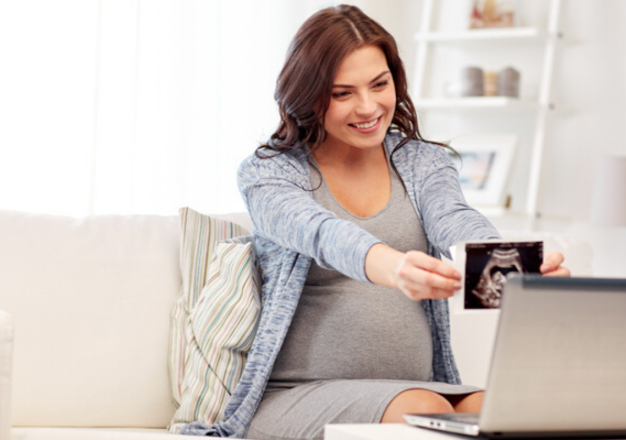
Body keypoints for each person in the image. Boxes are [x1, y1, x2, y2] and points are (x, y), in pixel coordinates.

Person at [181, 5, 569, 440]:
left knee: (504, 408)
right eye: (342, 93)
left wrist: (516, 270)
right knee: (421, 410)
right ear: (308, 95)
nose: (368, 107)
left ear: (395, 80)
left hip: (421, 388)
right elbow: (321, 232)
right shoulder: (268, 173)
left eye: (379, 84)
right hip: (297, 393)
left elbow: (455, 220)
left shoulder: (421, 161)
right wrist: (394, 266)